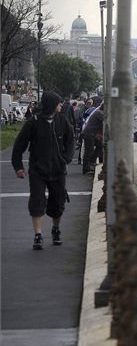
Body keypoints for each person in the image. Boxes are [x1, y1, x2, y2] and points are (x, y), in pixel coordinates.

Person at [11, 91, 75, 250]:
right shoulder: (33, 122)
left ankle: (56, 229)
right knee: (37, 201)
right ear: (52, 105)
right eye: (59, 103)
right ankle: (38, 235)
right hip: (37, 170)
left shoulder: (63, 121)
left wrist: (66, 159)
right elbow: (19, 146)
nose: (61, 105)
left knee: (58, 203)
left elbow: (71, 141)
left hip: (58, 170)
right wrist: (18, 166)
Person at [80, 102, 104, 175]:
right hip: (89, 134)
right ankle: (86, 169)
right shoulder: (99, 113)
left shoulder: (98, 112)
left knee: (100, 145)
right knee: (89, 151)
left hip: (92, 134)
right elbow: (105, 124)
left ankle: (92, 161)